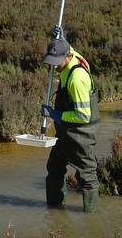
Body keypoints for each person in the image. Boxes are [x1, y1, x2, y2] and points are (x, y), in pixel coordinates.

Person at [43, 36, 101, 212]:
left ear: (67, 57)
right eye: (52, 61)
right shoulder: (72, 54)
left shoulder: (77, 78)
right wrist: (60, 36)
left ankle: (92, 218)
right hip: (65, 131)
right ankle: (54, 211)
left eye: (57, 62)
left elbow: (83, 115)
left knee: (87, 174)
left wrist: (56, 115)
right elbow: (68, 47)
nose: (54, 66)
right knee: (54, 168)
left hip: (81, 133)